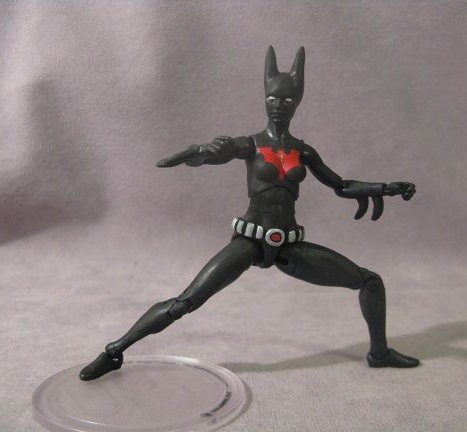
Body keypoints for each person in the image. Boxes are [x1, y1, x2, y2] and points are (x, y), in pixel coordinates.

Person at [80, 46, 419, 381]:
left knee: (370, 281)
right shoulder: (251, 145)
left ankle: (379, 353)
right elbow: (222, 151)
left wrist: (383, 187)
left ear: (297, 102)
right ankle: (114, 351)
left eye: (286, 100)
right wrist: (203, 153)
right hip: (250, 241)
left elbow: (341, 185)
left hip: (289, 246)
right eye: (272, 98)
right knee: (185, 302)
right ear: (264, 99)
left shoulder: (303, 151)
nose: (278, 105)